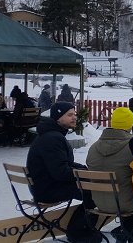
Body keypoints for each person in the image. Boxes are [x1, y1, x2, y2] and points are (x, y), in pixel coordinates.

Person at [26, 102, 101, 243]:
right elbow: (61, 172)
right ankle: (78, 233)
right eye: (69, 115)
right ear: (58, 118)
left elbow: (64, 164)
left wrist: (84, 170)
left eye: (74, 114)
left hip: (44, 185)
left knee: (90, 188)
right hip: (48, 189)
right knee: (94, 192)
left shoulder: (52, 135)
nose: (74, 117)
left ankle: (81, 228)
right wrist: (85, 175)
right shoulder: (53, 138)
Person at [86, 107, 133, 243]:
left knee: (126, 194)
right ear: (130, 125)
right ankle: (127, 232)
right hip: (125, 203)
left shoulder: (93, 147)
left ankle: (126, 232)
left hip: (99, 202)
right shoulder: (132, 147)